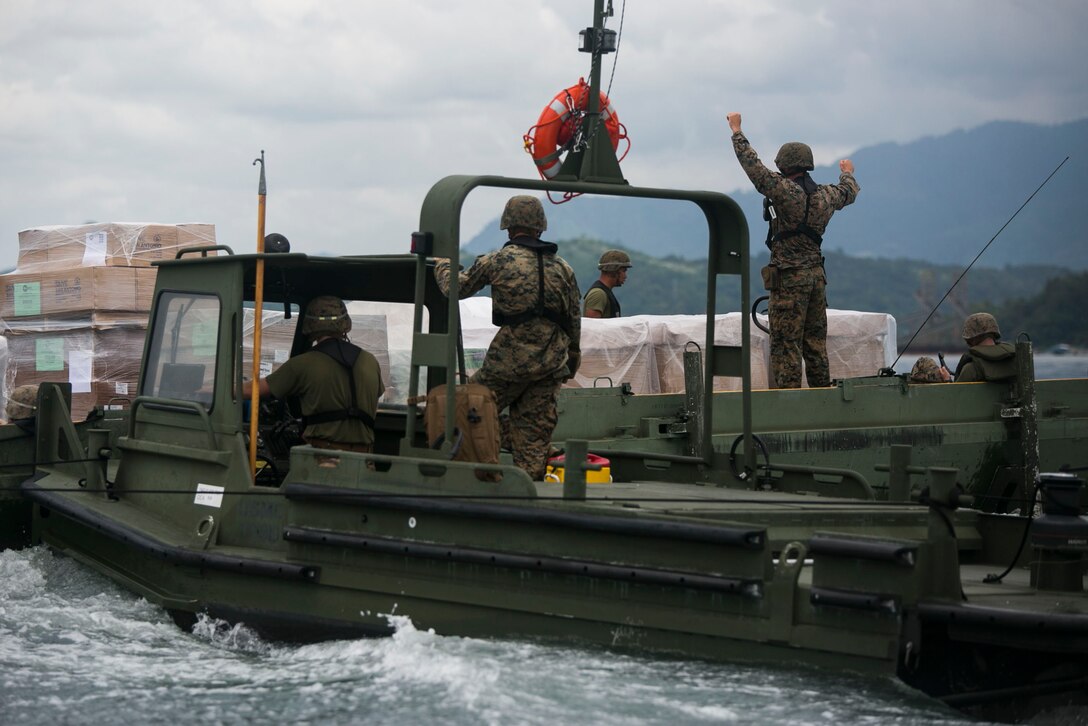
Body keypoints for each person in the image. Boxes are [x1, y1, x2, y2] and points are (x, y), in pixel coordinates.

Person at [433, 195, 581, 480]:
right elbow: (574, 321)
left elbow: (456, 288)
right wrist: (570, 361)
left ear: (508, 228)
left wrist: (443, 265)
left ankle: (487, 473)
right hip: (550, 366)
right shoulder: (564, 268)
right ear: (540, 228)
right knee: (533, 445)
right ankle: (527, 499)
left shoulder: (498, 260)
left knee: (463, 410)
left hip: (507, 365)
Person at [727, 112, 859, 389]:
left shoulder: (785, 192)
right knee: (815, 344)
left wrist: (737, 130)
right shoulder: (826, 195)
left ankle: (789, 404)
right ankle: (822, 398)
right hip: (816, 279)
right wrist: (847, 172)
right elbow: (848, 192)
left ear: (784, 165)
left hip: (789, 279)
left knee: (786, 345)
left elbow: (754, 168)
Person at [243, 296, 383, 453]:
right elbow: (373, 406)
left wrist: (228, 388)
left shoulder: (303, 363)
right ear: (345, 324)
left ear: (310, 326)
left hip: (322, 461)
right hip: (365, 461)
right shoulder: (370, 361)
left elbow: (251, 390)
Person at [954, 312, 1017, 383]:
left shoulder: (970, 369)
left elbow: (956, 393)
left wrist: (947, 380)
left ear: (970, 339)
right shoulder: (1017, 362)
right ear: (994, 333)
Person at [583, 249, 632, 318]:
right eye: (623, 271)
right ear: (614, 270)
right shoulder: (598, 294)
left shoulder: (604, 293)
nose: (625, 276)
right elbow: (592, 326)